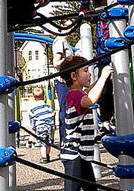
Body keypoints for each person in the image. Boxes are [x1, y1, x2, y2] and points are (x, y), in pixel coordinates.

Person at [58, 55, 110, 191]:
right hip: (73, 155)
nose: (89, 74)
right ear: (74, 76)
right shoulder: (76, 96)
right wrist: (103, 77)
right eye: (86, 71)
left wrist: (101, 80)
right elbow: (90, 100)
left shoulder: (76, 93)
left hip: (82, 155)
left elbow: (88, 92)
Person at [26, 87, 55, 163]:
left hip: (40, 126)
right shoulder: (47, 106)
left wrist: (33, 127)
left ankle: (44, 157)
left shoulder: (33, 108)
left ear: (34, 97)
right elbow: (53, 113)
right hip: (50, 126)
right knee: (48, 142)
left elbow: (31, 117)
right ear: (44, 96)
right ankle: (48, 155)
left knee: (43, 143)